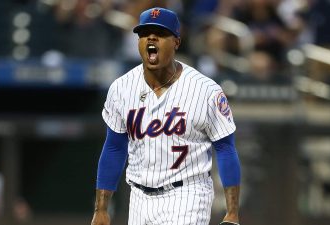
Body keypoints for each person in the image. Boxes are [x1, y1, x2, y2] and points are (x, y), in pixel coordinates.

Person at [90, 7, 241, 225]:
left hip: (188, 194)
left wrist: (232, 212)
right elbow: (114, 147)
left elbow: (226, 147)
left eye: (160, 33)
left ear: (176, 42)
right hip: (139, 197)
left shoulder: (205, 90)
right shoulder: (121, 88)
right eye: (145, 33)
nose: (151, 38)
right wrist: (101, 208)